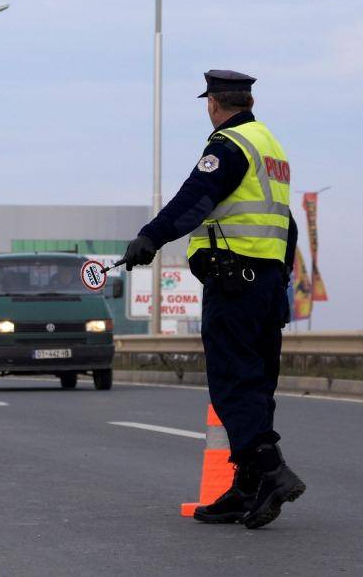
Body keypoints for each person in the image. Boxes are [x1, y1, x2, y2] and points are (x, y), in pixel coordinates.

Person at [122, 70, 305, 529]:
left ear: (213, 104)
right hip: (267, 280)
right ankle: (247, 488)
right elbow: (286, 222)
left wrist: (150, 237)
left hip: (235, 282)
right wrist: (280, 275)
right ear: (247, 99)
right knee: (257, 380)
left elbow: (195, 198)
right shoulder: (271, 146)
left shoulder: (229, 145)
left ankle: (270, 470)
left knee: (232, 380)